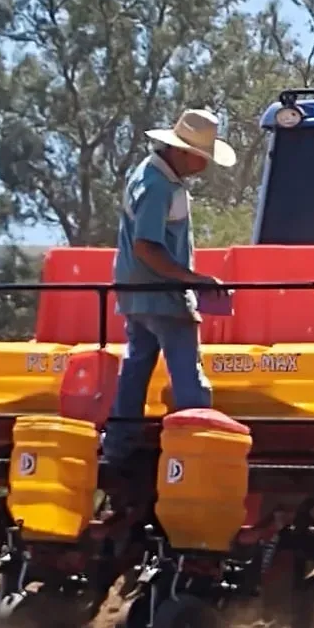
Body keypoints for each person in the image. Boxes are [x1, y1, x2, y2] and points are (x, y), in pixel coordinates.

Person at [101, 108, 236, 467]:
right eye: (201, 157)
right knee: (187, 372)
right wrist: (193, 280)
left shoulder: (145, 175)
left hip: (134, 293)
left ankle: (118, 446)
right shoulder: (161, 187)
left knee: (135, 366)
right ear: (180, 152)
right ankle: (197, 449)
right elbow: (147, 245)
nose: (204, 166)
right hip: (161, 293)